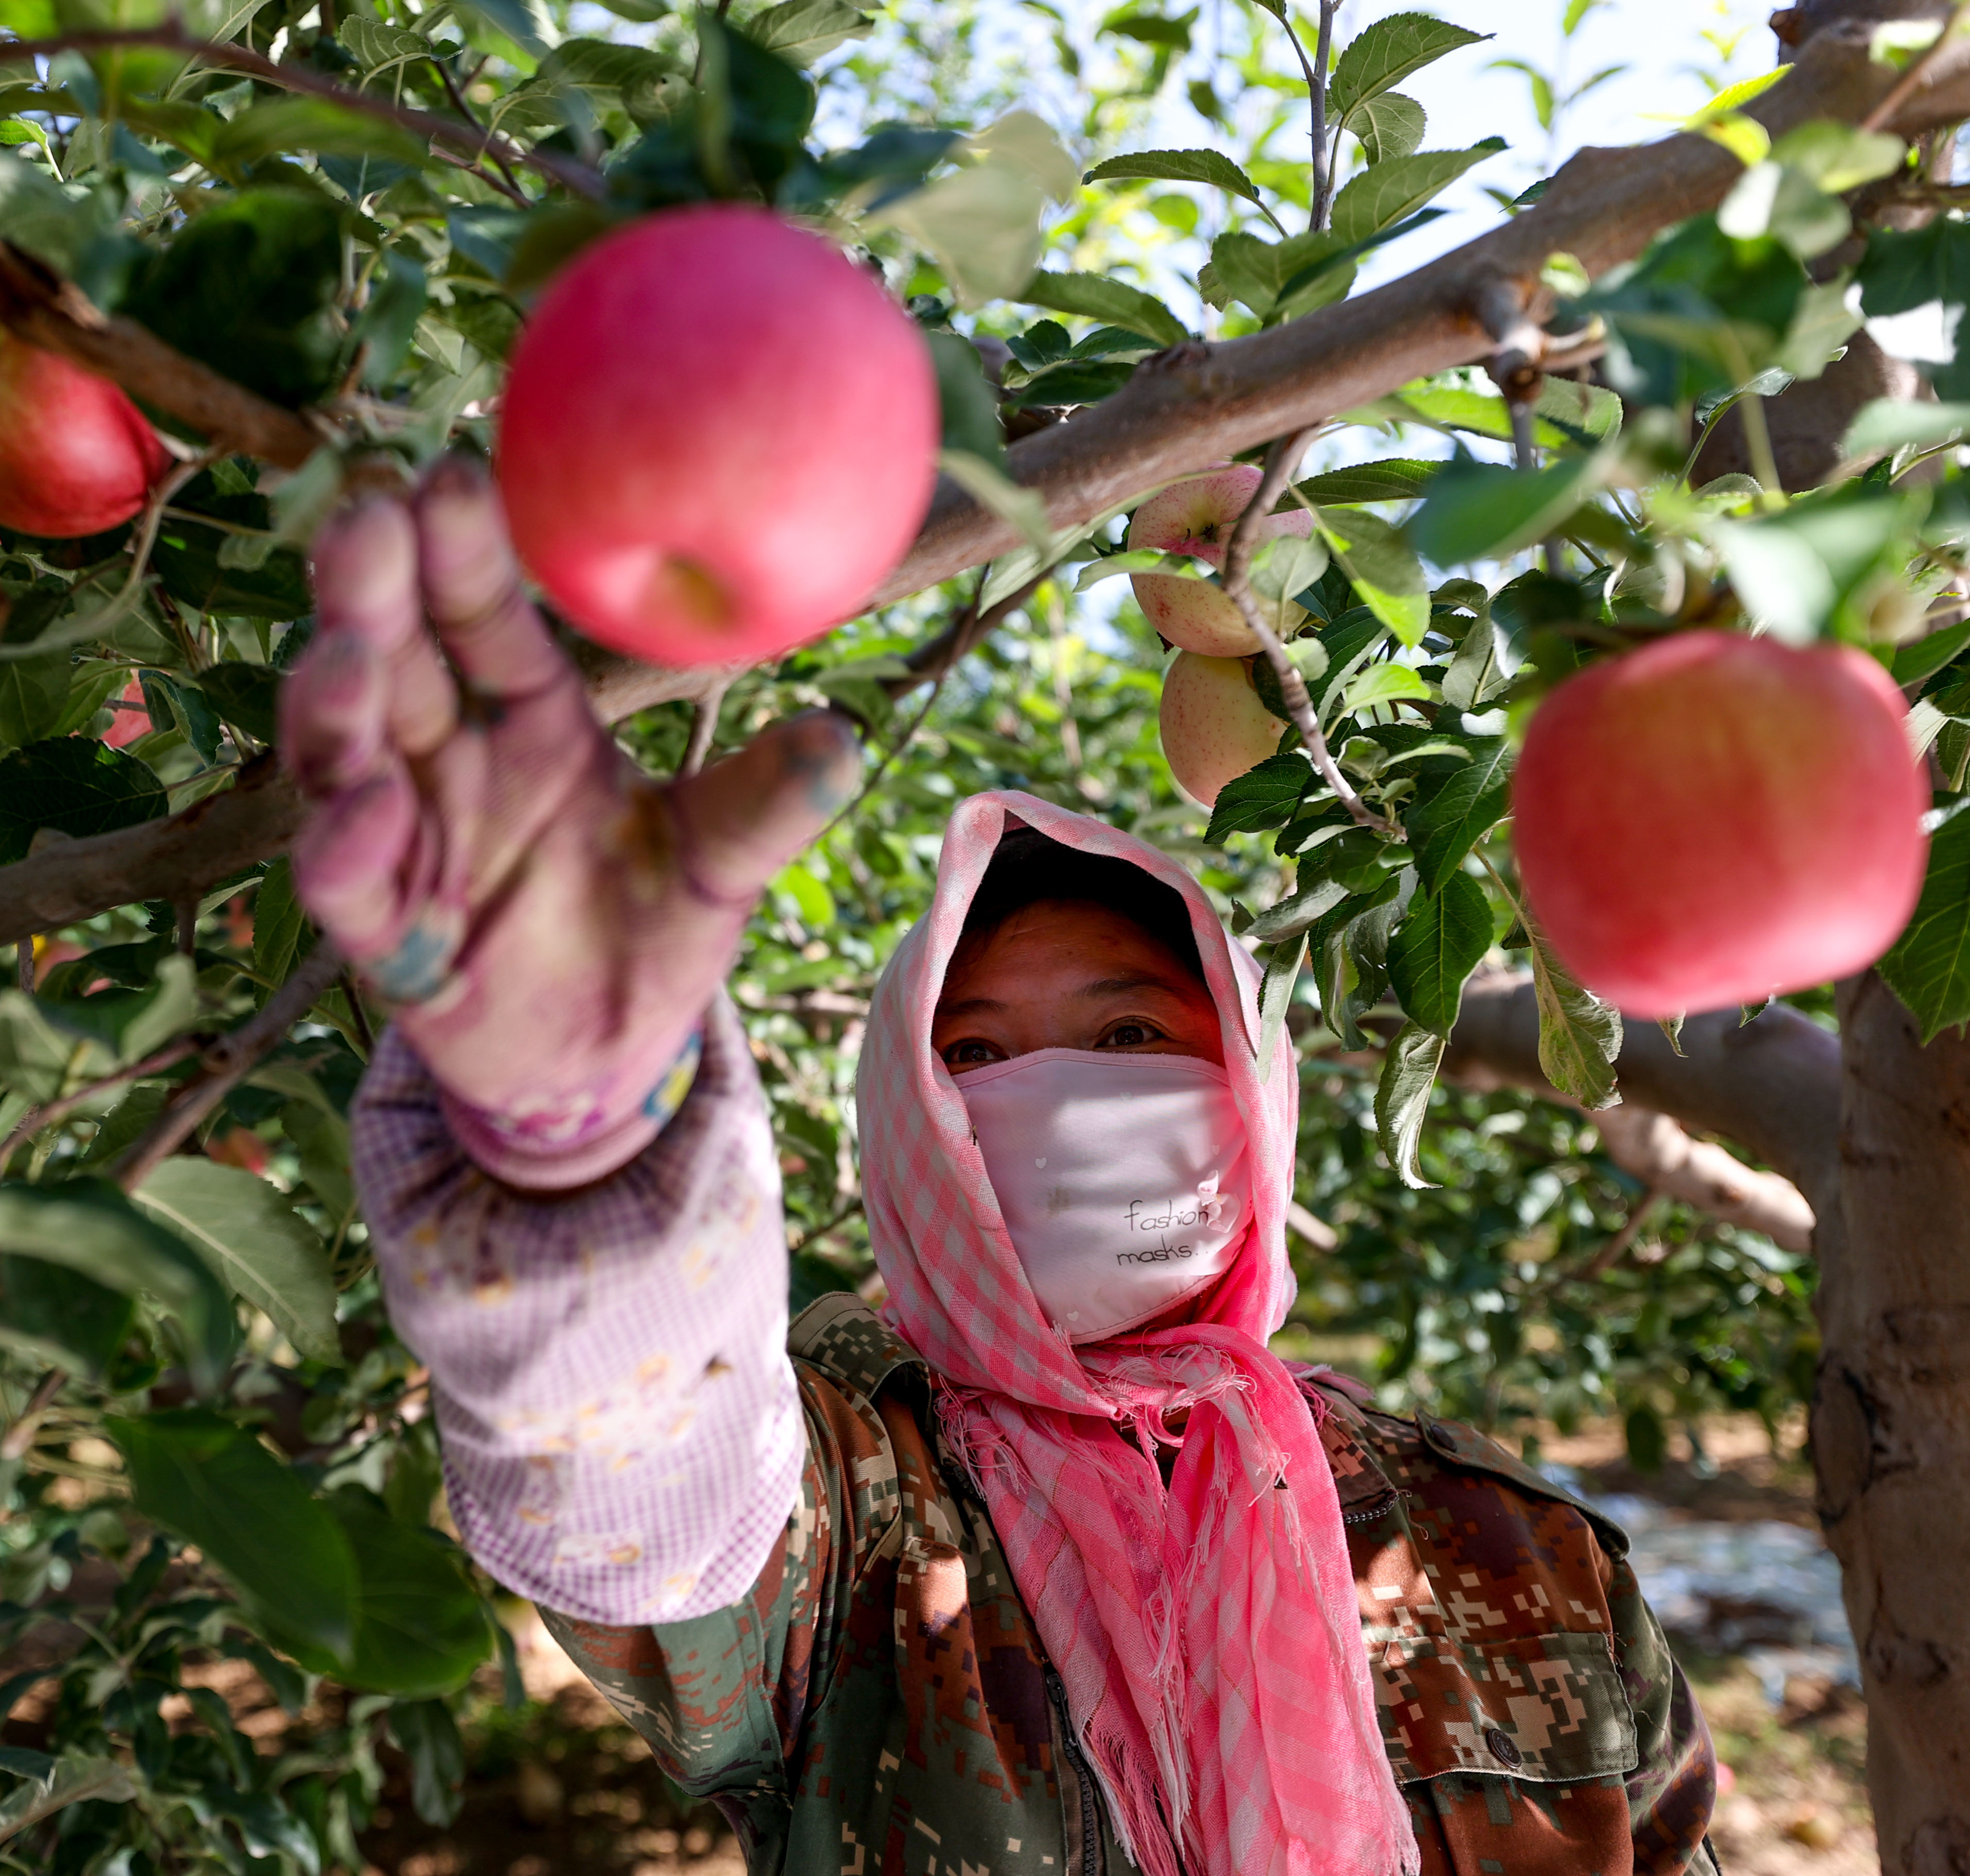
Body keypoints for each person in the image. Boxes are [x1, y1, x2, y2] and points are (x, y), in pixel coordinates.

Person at [278, 460, 1720, 1876]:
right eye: (972, 1057)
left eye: (1129, 1029)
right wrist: (576, 1159)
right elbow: (637, 1479)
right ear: (903, 1128)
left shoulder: (1498, 1540)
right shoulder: (851, 1513)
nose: (1061, 1093)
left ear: (1250, 1088)